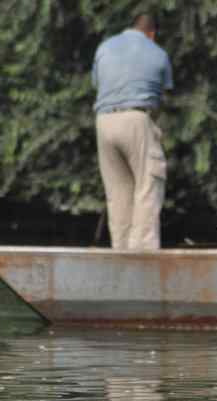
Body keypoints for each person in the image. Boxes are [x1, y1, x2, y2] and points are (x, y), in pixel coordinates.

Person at [92, 13, 173, 249]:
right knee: (148, 186)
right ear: (152, 33)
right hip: (137, 118)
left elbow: (99, 85)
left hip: (104, 121)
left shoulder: (105, 47)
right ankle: (142, 253)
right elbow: (162, 96)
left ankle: (120, 250)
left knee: (117, 192)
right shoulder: (157, 53)